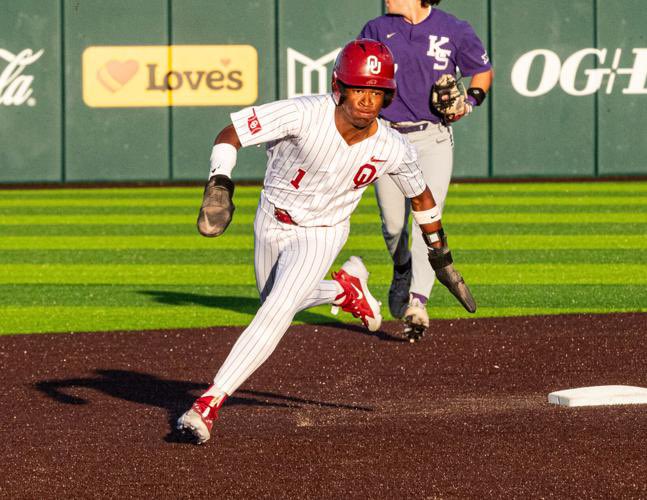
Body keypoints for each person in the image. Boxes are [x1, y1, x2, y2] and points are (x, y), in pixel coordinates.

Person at [176, 39, 475, 445]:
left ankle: (208, 403)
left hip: (324, 231)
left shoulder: (391, 146)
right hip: (272, 218)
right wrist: (220, 181)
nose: (367, 99)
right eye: (359, 88)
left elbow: (421, 197)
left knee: (277, 311)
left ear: (386, 94)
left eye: (376, 91)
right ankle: (344, 289)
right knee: (273, 299)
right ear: (340, 87)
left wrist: (441, 257)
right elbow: (230, 133)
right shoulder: (302, 114)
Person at [359, 0, 493, 341]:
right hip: (387, 139)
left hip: (432, 138)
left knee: (426, 220)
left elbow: (482, 70)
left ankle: (418, 302)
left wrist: (471, 101)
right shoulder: (376, 29)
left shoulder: (454, 28)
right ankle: (402, 267)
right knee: (392, 226)